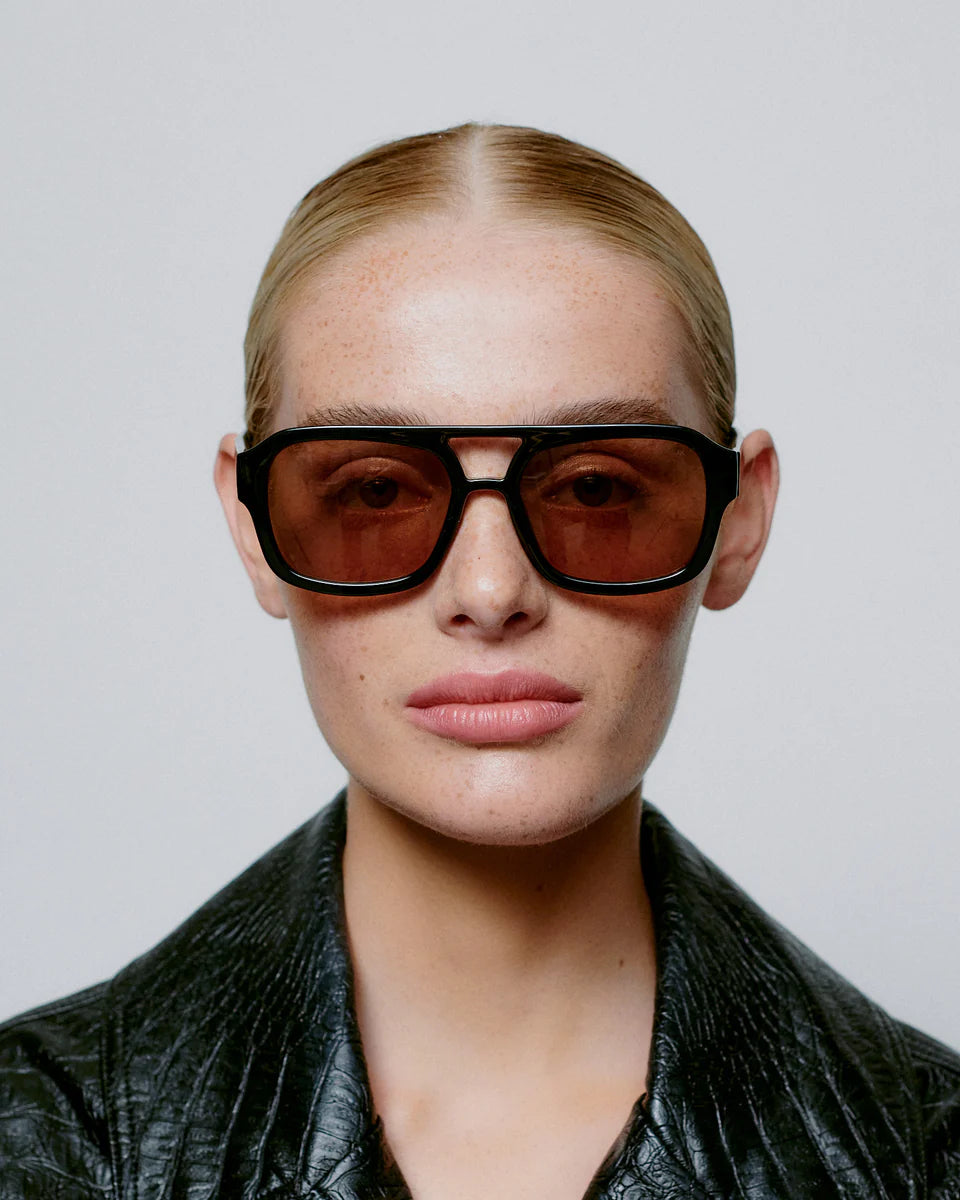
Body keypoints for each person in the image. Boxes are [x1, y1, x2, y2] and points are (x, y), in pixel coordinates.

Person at [1, 122, 957, 1199]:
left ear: (738, 522)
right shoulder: (38, 1145)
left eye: (596, 488)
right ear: (252, 527)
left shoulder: (930, 1158)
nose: (493, 592)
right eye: (374, 491)